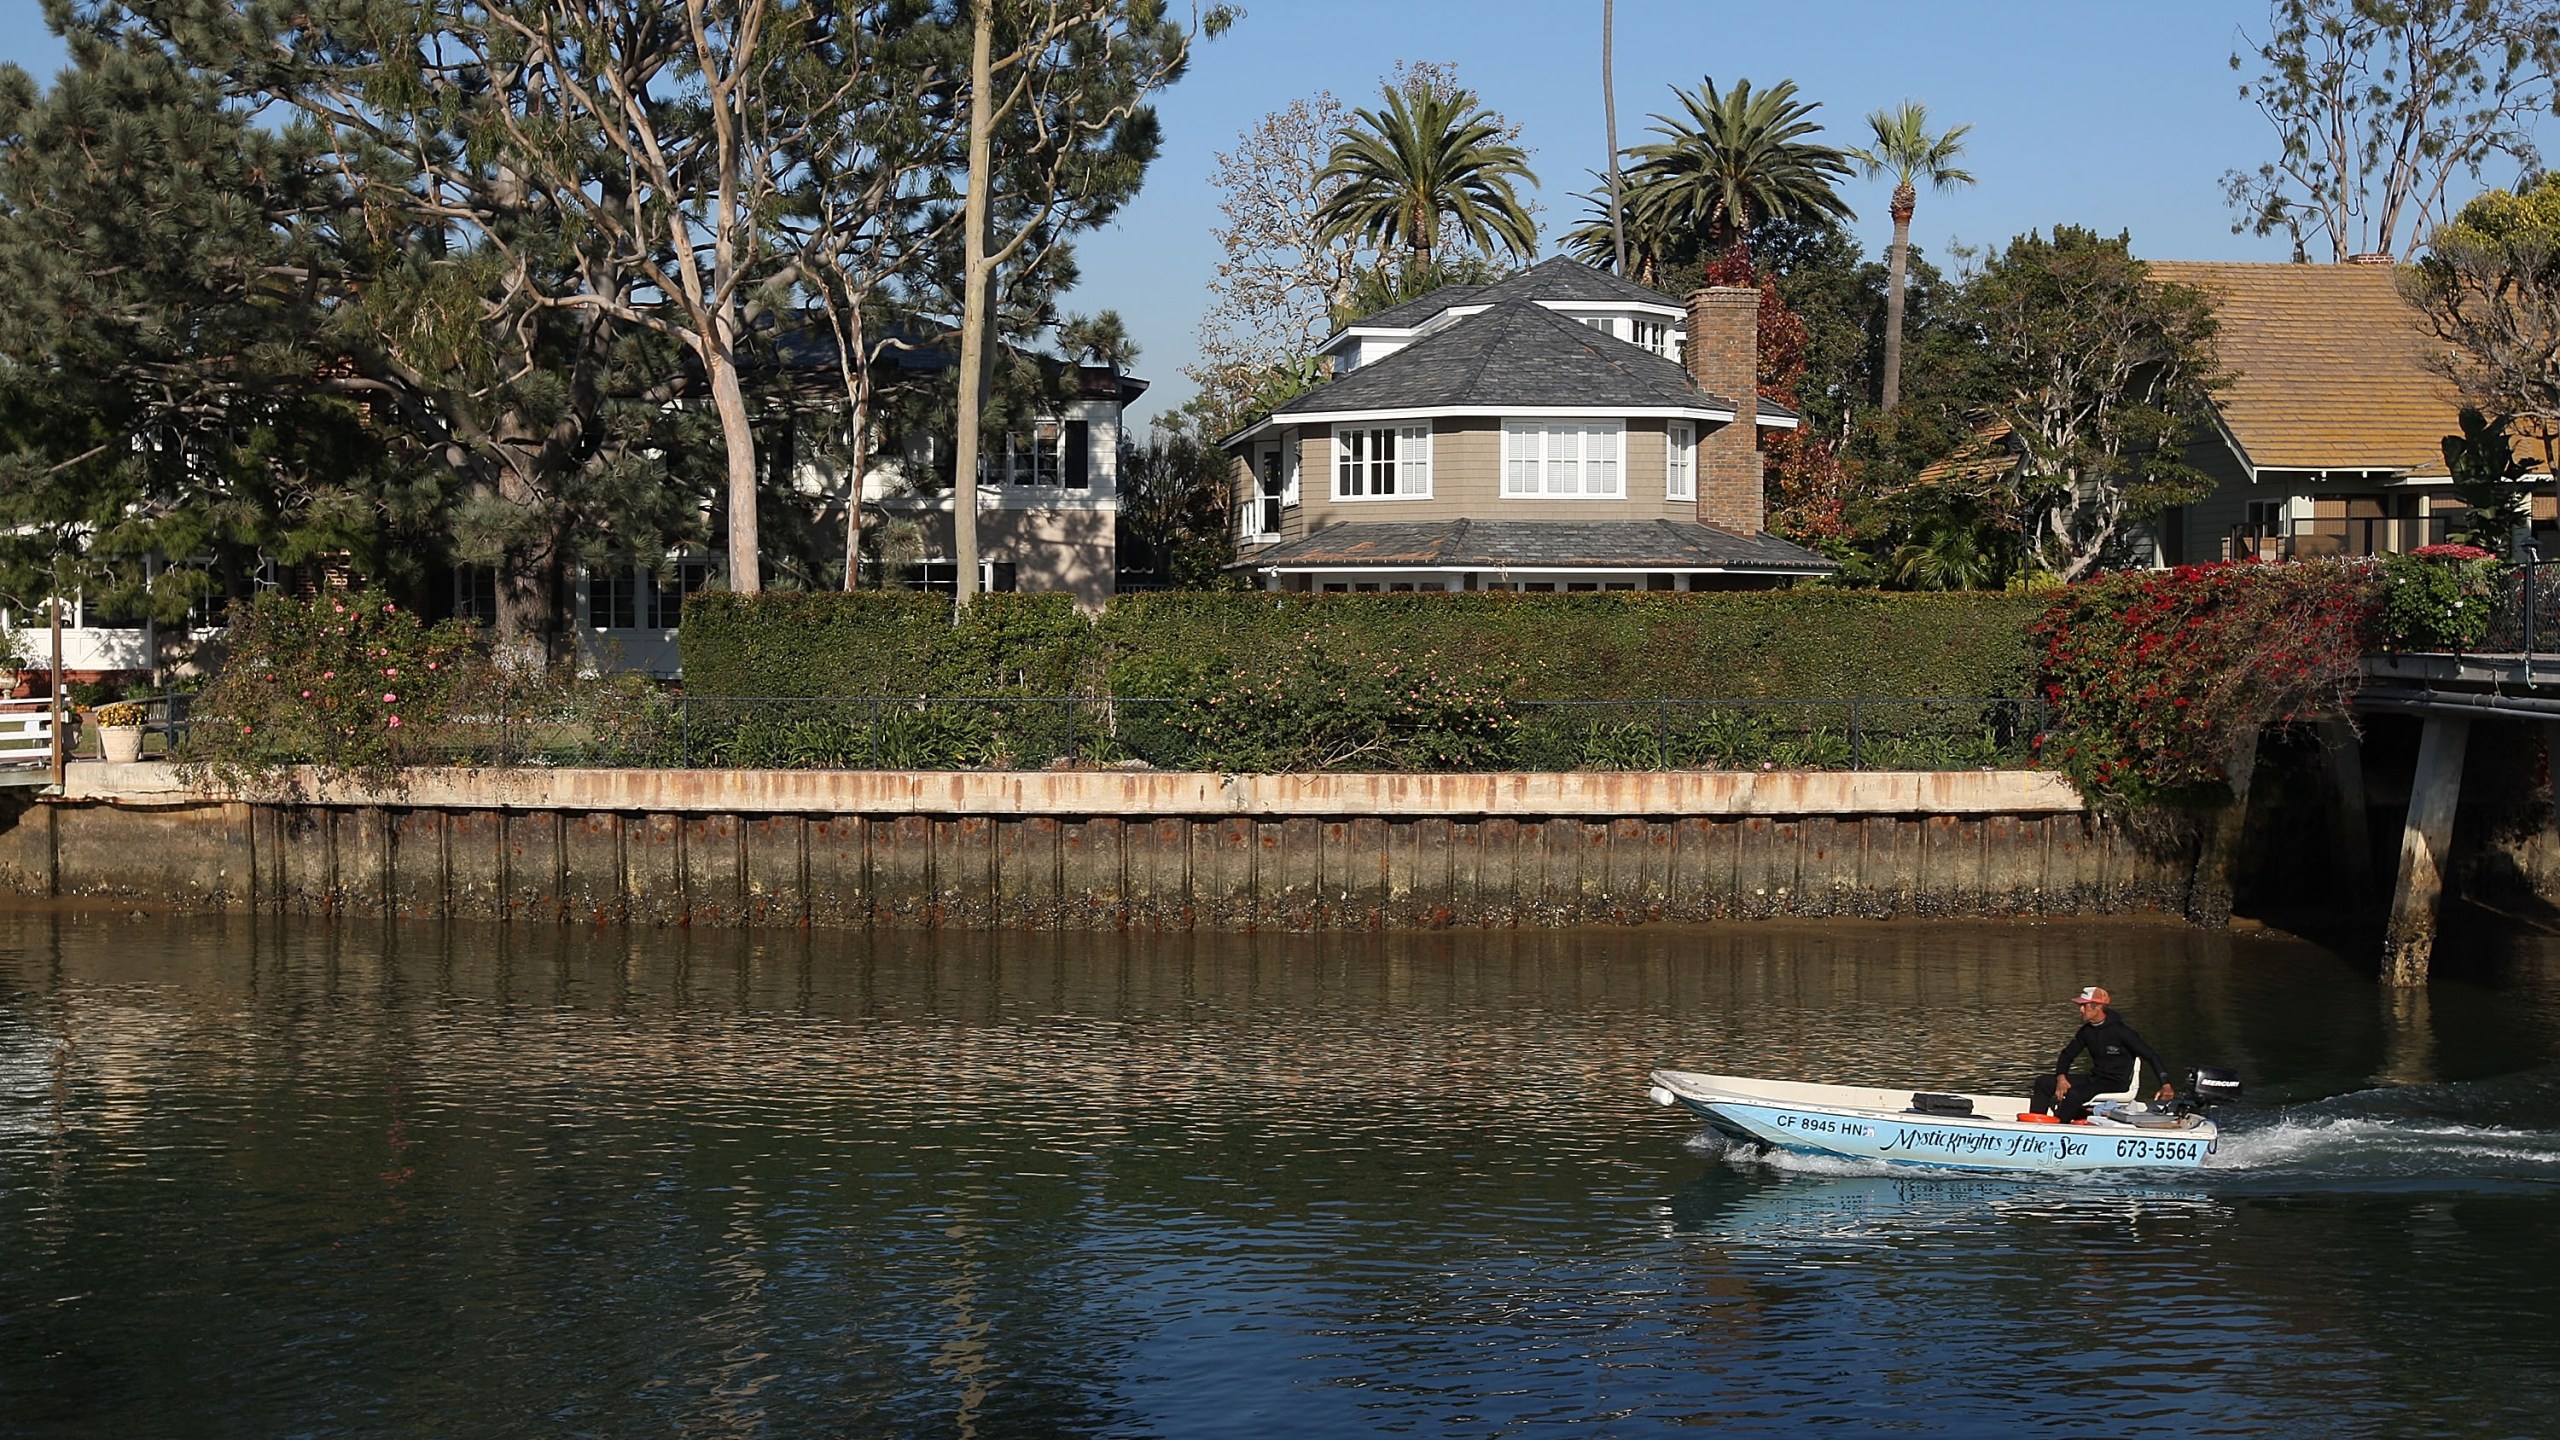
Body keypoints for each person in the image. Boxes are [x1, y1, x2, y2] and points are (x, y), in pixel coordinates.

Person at [2030, 985, 2176, 1121]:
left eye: (2084, 1006)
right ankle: (2034, 1123)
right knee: (2044, 1082)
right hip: (2095, 1079)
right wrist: (2061, 1078)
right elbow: (2067, 1055)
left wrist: (2166, 1085)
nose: (2080, 1010)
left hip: (2115, 1083)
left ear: (2098, 1007)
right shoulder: (2087, 1031)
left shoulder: (2122, 1032)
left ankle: (2058, 1127)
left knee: (2074, 1094)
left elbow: (2151, 1056)